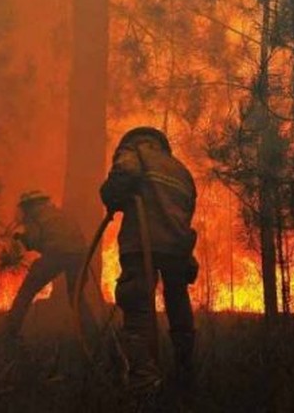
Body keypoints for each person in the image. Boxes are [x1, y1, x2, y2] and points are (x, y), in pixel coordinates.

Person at [100, 126, 198, 393]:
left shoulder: (134, 152)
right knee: (178, 304)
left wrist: (110, 197)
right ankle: (185, 372)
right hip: (177, 246)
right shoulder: (181, 170)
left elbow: (124, 176)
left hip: (141, 242)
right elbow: (188, 209)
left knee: (137, 307)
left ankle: (144, 384)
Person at [5, 190, 92, 339]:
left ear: (29, 205)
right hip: (79, 256)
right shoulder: (61, 214)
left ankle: (10, 332)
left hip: (56, 255)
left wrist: (21, 238)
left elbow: (34, 242)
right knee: (76, 297)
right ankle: (92, 334)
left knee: (27, 291)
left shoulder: (35, 217)